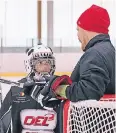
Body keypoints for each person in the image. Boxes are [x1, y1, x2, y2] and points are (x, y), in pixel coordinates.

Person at [37, 4, 115, 103]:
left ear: (87, 29)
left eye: (78, 30)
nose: (77, 35)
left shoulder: (95, 54)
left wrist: (59, 89)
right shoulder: (110, 51)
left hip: (91, 118)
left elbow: (89, 92)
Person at [0, 44, 61, 133]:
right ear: (30, 65)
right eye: (40, 63)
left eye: (48, 62)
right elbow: (3, 122)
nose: (45, 67)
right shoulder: (16, 91)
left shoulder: (60, 87)